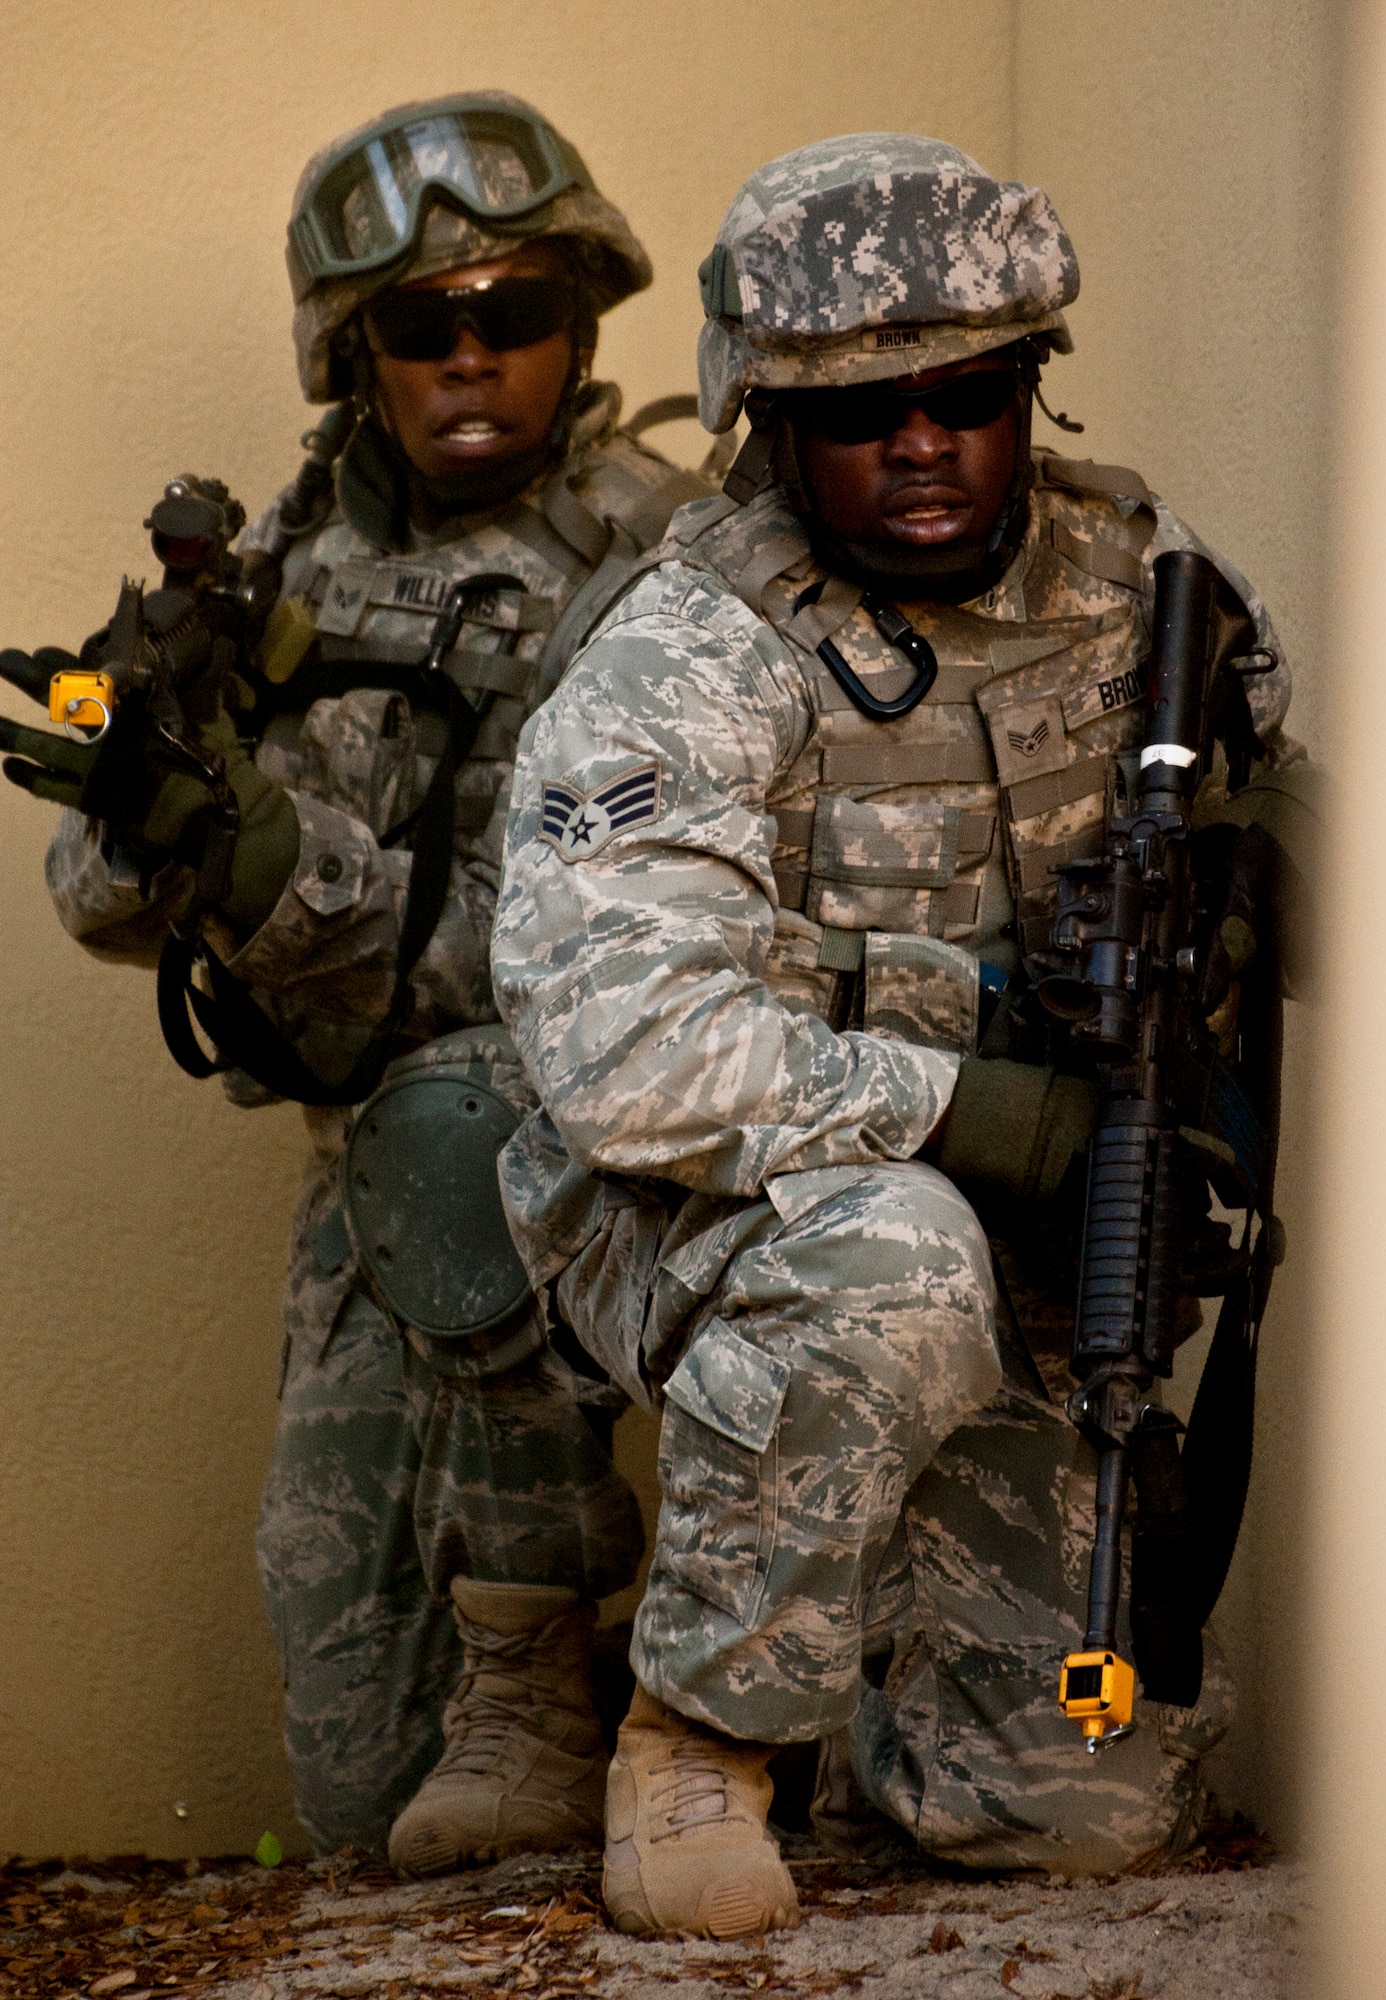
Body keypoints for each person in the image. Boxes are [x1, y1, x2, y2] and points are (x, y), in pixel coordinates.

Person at [490, 133, 1318, 1938]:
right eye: (866, 412)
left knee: (1074, 1810)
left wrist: (1289, 883)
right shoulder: (691, 654)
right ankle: (695, 1729)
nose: (923, 442)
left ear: (1028, 391)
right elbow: (630, 1056)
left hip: (1043, 1250)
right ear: (770, 429)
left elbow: (1299, 850)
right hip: (704, 1214)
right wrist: (983, 1111)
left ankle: (867, 1651)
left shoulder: (1145, 592)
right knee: (891, 1257)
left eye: (969, 394)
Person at [37, 91, 714, 1867]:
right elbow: (94, 902)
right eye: (422, 326)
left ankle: (650, 1710)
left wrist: (286, 876)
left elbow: (643, 919)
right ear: (358, 355)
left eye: (516, 313)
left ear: (581, 325)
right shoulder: (272, 575)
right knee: (363, 1788)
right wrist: (160, 814)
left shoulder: (680, 563)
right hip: (372, 1181)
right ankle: (574, 1701)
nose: (473, 356)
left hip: (629, 1145)